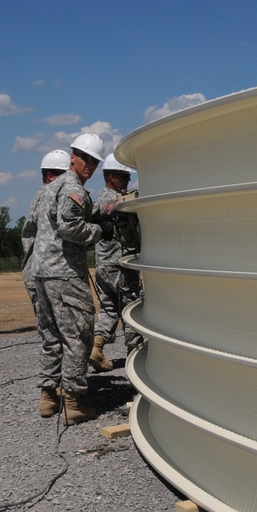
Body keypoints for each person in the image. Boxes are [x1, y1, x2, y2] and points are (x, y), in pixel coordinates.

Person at [29, 133, 112, 425]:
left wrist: (104, 212)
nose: (90, 165)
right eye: (85, 158)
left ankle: (48, 397)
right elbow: (71, 228)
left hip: (42, 273)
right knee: (78, 334)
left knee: (51, 337)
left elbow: (74, 215)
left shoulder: (51, 188)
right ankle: (73, 403)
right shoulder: (72, 188)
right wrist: (101, 231)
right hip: (64, 274)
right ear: (72, 156)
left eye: (95, 161)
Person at [20, 149, 71, 418]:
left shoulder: (37, 198)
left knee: (49, 336)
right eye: (64, 176)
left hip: (34, 273)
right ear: (51, 175)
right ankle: (65, 393)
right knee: (67, 333)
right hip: (51, 273)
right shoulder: (51, 196)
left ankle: (48, 394)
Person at [90, 154, 144, 370]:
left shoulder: (101, 199)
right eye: (124, 177)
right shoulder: (113, 200)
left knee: (108, 309)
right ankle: (136, 360)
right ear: (111, 177)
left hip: (103, 266)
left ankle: (96, 346)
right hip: (120, 265)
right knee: (131, 309)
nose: (127, 182)